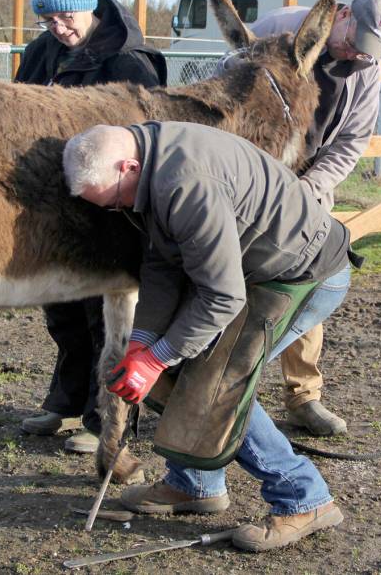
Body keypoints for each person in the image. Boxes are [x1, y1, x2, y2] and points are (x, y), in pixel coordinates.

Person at [62, 121, 354, 551]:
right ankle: (195, 484)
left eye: (115, 200)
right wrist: (143, 341)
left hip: (299, 276)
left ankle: (304, 498)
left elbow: (222, 297)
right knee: (178, 372)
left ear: (128, 167)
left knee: (214, 388)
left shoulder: (186, 183)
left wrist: (157, 356)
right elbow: (162, 264)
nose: (116, 210)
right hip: (249, 276)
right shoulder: (153, 165)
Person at [14, 0, 167, 455]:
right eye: (48, 18)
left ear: (88, 5)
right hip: (54, 202)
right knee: (60, 309)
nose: (58, 27)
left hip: (109, 207)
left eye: (66, 16)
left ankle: (106, 420)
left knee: (108, 315)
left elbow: (145, 138)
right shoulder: (41, 53)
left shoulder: (129, 62)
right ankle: (65, 398)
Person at [234, 0, 381, 436]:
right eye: (354, 39)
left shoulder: (366, 70)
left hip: (310, 181)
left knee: (310, 278)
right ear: (341, 15)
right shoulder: (277, 30)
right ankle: (208, 387)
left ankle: (303, 395)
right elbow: (226, 86)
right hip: (253, 169)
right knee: (230, 274)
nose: (357, 52)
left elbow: (351, 143)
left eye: (368, 48)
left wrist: (308, 190)